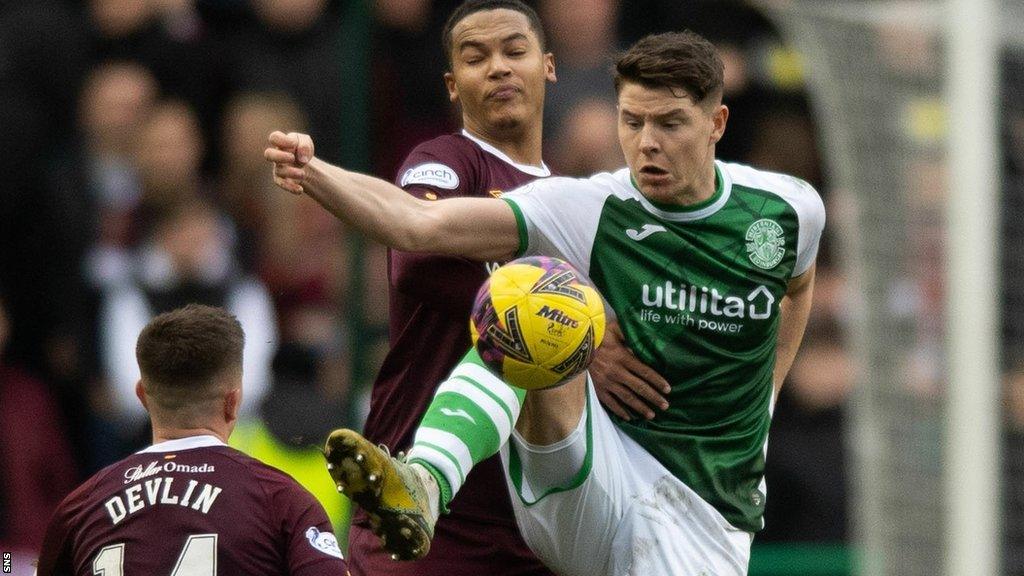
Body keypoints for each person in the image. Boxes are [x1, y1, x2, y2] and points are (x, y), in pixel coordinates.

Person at [266, 30, 824, 576]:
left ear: (716, 123)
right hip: (591, 479)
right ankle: (425, 482)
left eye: (670, 123)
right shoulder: (589, 208)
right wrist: (312, 171)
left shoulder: (788, 211)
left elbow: (796, 288)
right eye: (632, 122)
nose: (648, 142)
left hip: (706, 512)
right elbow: (417, 223)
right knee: (532, 296)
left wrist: (767, 394)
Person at [322, 2, 669, 574]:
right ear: (453, 86)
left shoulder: (567, 201)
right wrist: (578, 328)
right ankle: (423, 481)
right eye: (475, 58)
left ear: (549, 66)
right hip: (425, 525)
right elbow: (418, 262)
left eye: (514, 51)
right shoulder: (445, 163)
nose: (499, 68)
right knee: (528, 320)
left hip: (533, 522)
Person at [35, 304, 350, 575]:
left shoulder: (81, 506)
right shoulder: (282, 501)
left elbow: (10, 564)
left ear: (143, 397)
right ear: (233, 401)